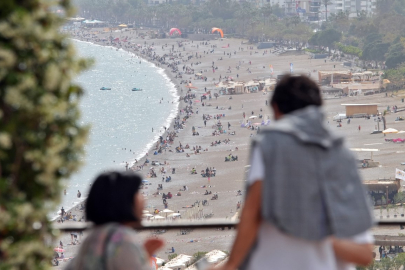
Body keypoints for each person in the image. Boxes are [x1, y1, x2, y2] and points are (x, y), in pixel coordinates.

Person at [220, 75, 374, 270]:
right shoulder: (341, 153)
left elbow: (253, 211)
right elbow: (364, 253)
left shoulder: (272, 143)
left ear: (275, 108)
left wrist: (231, 264)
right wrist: (318, 235)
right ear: (319, 107)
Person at [65, 171, 164, 270]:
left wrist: (144, 255)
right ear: (124, 201)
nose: (143, 198)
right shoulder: (123, 238)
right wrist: (145, 256)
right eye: (137, 192)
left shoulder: (94, 236)